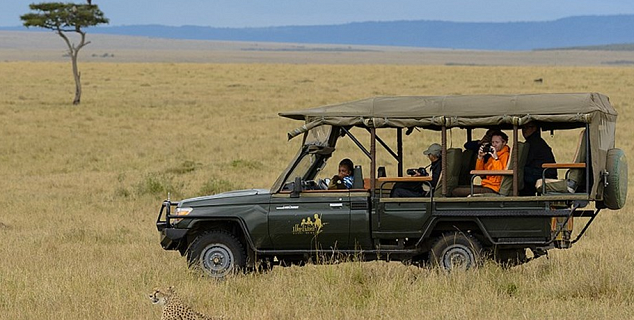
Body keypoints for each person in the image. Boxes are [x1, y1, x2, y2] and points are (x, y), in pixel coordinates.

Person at [452, 131, 510, 196]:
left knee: (456, 191)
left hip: (494, 188)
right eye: (492, 142)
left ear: (504, 143)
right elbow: (480, 173)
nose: (494, 145)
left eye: (497, 142)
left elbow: (500, 174)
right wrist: (480, 158)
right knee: (457, 188)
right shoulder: (493, 155)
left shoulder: (505, 155)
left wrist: (496, 159)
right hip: (487, 185)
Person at [520, 121, 557, 195]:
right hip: (542, 171)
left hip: (544, 173)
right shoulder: (534, 141)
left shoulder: (534, 142)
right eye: (523, 128)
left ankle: (525, 198)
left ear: (534, 128)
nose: (524, 130)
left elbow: (525, 161)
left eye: (527, 127)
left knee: (520, 174)